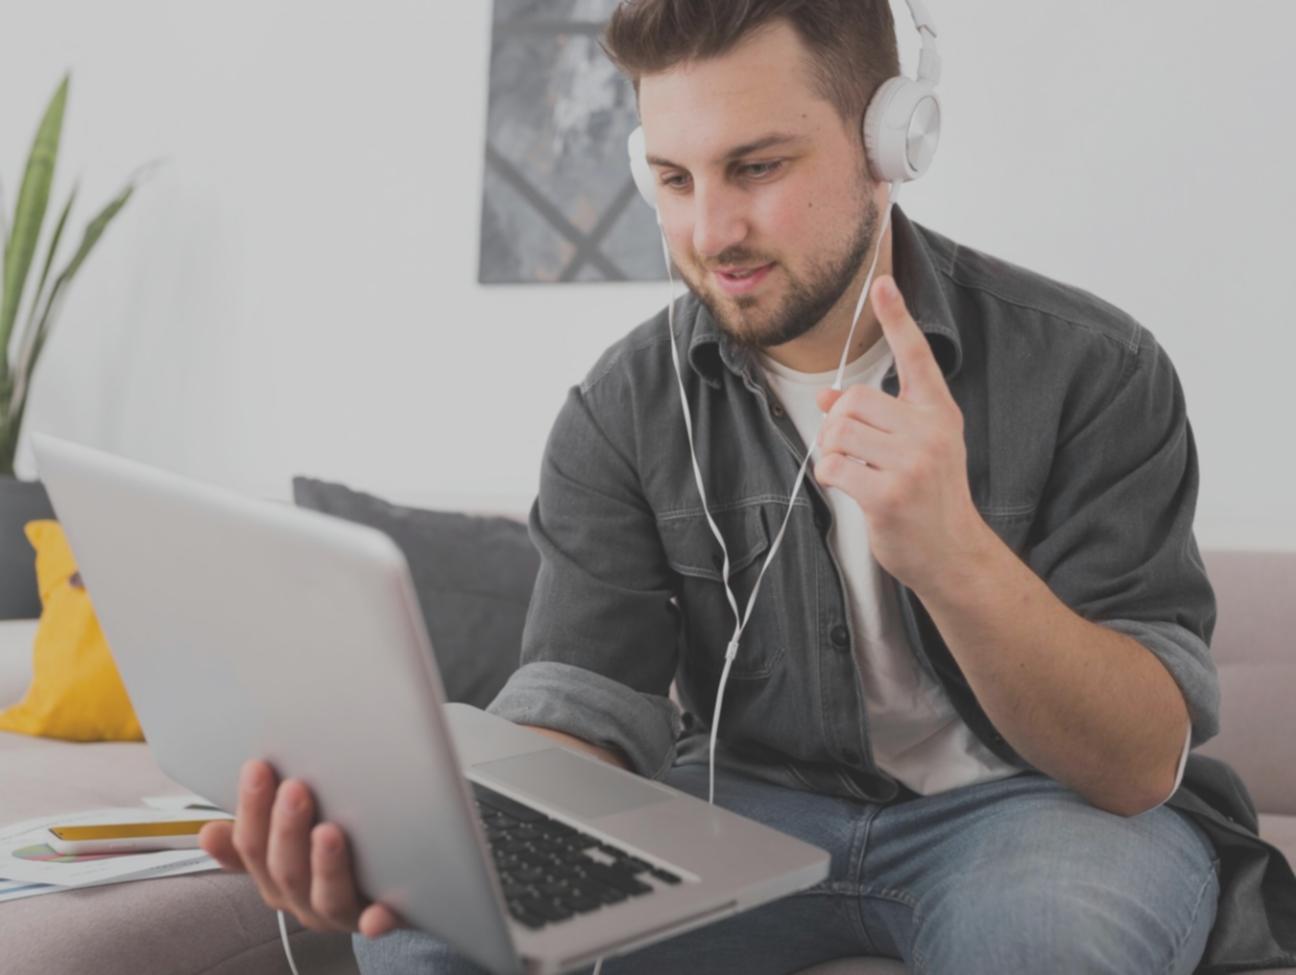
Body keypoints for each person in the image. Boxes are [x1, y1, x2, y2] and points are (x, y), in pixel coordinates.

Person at [201, 2, 1296, 972]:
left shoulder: (1091, 369)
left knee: (1044, 944)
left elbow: (1139, 760)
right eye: (674, 180)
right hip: (746, 816)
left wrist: (956, 558)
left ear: (891, 142)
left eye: (758, 167)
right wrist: (441, 835)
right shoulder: (624, 405)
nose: (709, 233)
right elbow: (587, 703)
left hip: (1044, 816)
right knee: (433, 931)